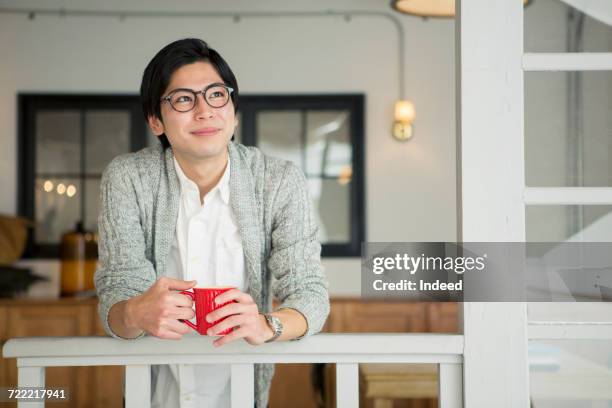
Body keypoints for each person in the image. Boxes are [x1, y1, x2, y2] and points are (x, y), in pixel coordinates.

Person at [94, 38, 330, 408]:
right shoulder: (128, 178)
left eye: (217, 94)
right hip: (154, 394)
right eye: (184, 99)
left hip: (242, 393)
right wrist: (135, 312)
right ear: (156, 120)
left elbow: (309, 292)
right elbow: (117, 293)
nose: (204, 110)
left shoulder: (279, 180)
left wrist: (269, 325)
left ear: (233, 111)